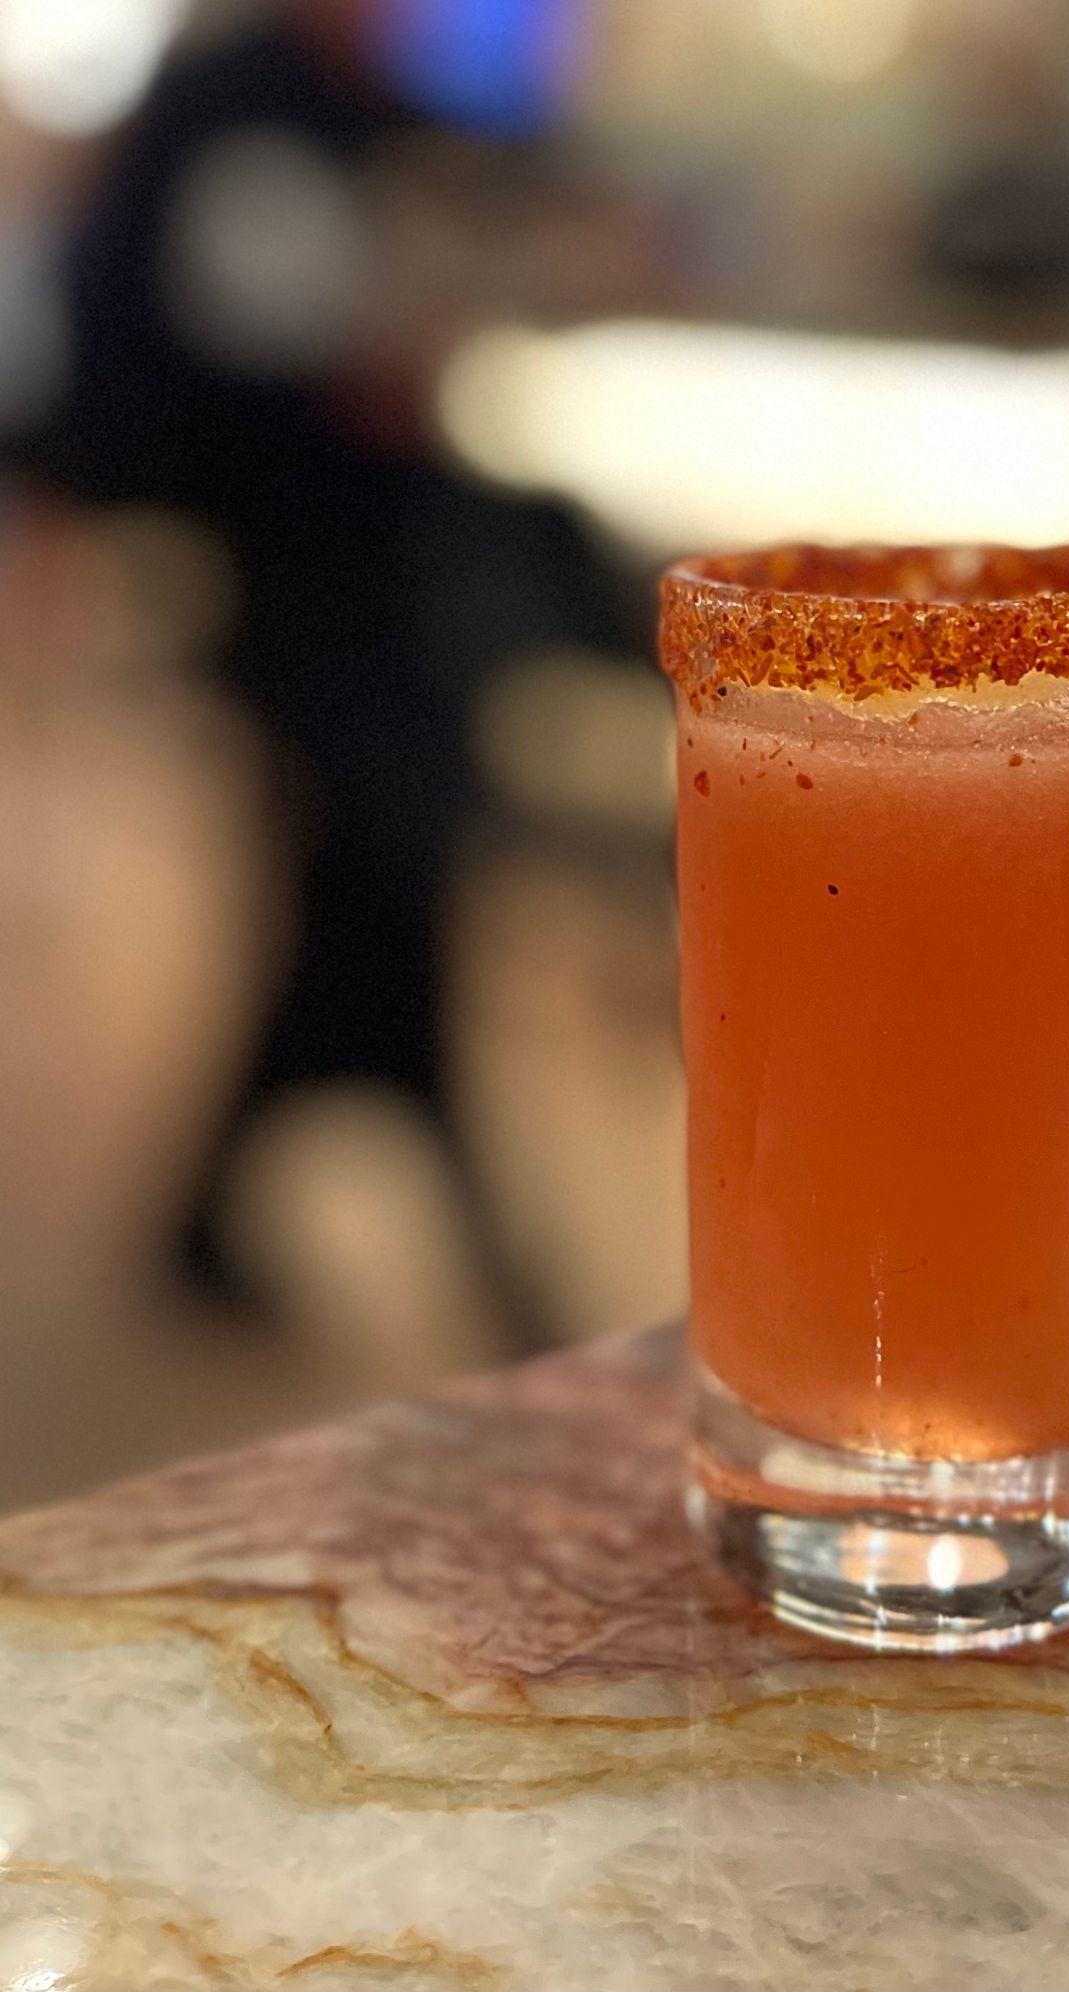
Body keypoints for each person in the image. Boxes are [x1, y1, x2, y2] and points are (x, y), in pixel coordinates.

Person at [19, 0, 632, 1341]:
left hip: (392, 566)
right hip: (279, 570)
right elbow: (140, 328)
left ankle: (224, 1205)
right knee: (389, 856)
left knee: (362, 885)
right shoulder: (229, 100)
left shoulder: (406, 118)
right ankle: (472, 1232)